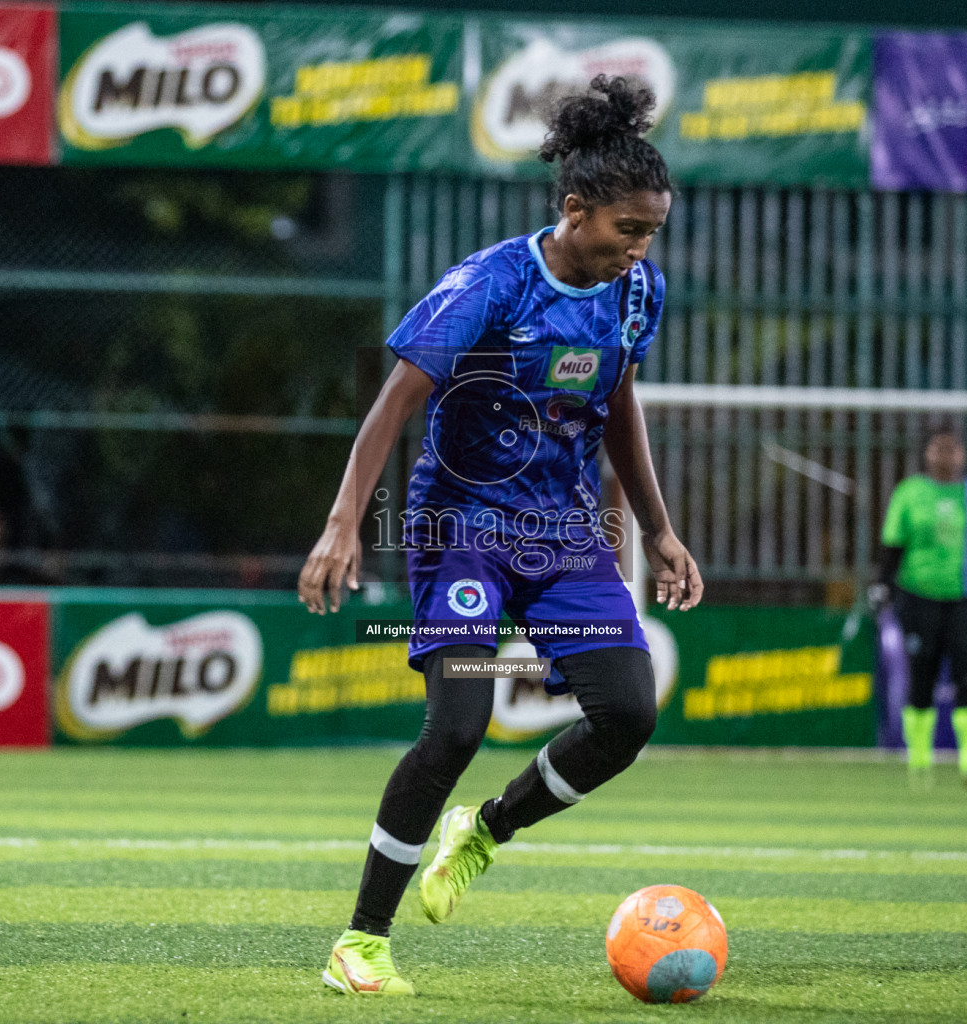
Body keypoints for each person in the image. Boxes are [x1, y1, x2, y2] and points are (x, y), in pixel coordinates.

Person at [297, 76, 702, 996]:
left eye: (652, 233)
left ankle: (483, 831)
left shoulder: (636, 291)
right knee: (459, 724)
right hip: (464, 532)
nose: (639, 249)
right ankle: (360, 942)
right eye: (626, 230)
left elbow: (617, 401)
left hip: (563, 534)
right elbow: (394, 402)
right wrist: (342, 525)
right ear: (575, 209)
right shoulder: (491, 283)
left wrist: (660, 530)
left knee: (629, 713)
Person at [871, 424, 967, 787]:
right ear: (926, 454)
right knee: (922, 679)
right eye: (938, 448)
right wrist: (881, 586)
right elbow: (893, 546)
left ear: (963, 455)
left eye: (953, 449)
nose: (946, 456)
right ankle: (919, 766)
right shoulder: (910, 493)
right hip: (917, 597)